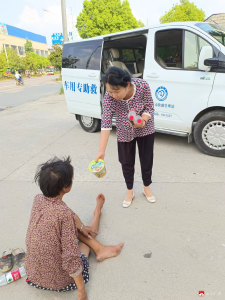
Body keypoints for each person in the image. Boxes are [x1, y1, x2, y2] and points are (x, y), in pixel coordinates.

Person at [25, 156, 124, 300]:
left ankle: (99, 243)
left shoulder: (38, 199)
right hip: (59, 281)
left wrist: (81, 226)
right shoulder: (64, 216)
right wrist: (81, 291)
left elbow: (69, 214)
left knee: (78, 228)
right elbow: (70, 259)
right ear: (66, 187)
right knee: (82, 245)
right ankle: (97, 216)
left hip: (33, 275)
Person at [95, 67, 155, 208]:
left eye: (116, 91)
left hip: (145, 128)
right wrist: (101, 151)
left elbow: (150, 107)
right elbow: (106, 122)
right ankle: (130, 191)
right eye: (110, 91)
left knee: (146, 159)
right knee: (126, 162)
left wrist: (143, 121)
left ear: (127, 84)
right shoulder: (109, 97)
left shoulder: (142, 86)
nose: (113, 95)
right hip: (124, 131)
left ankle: (146, 188)